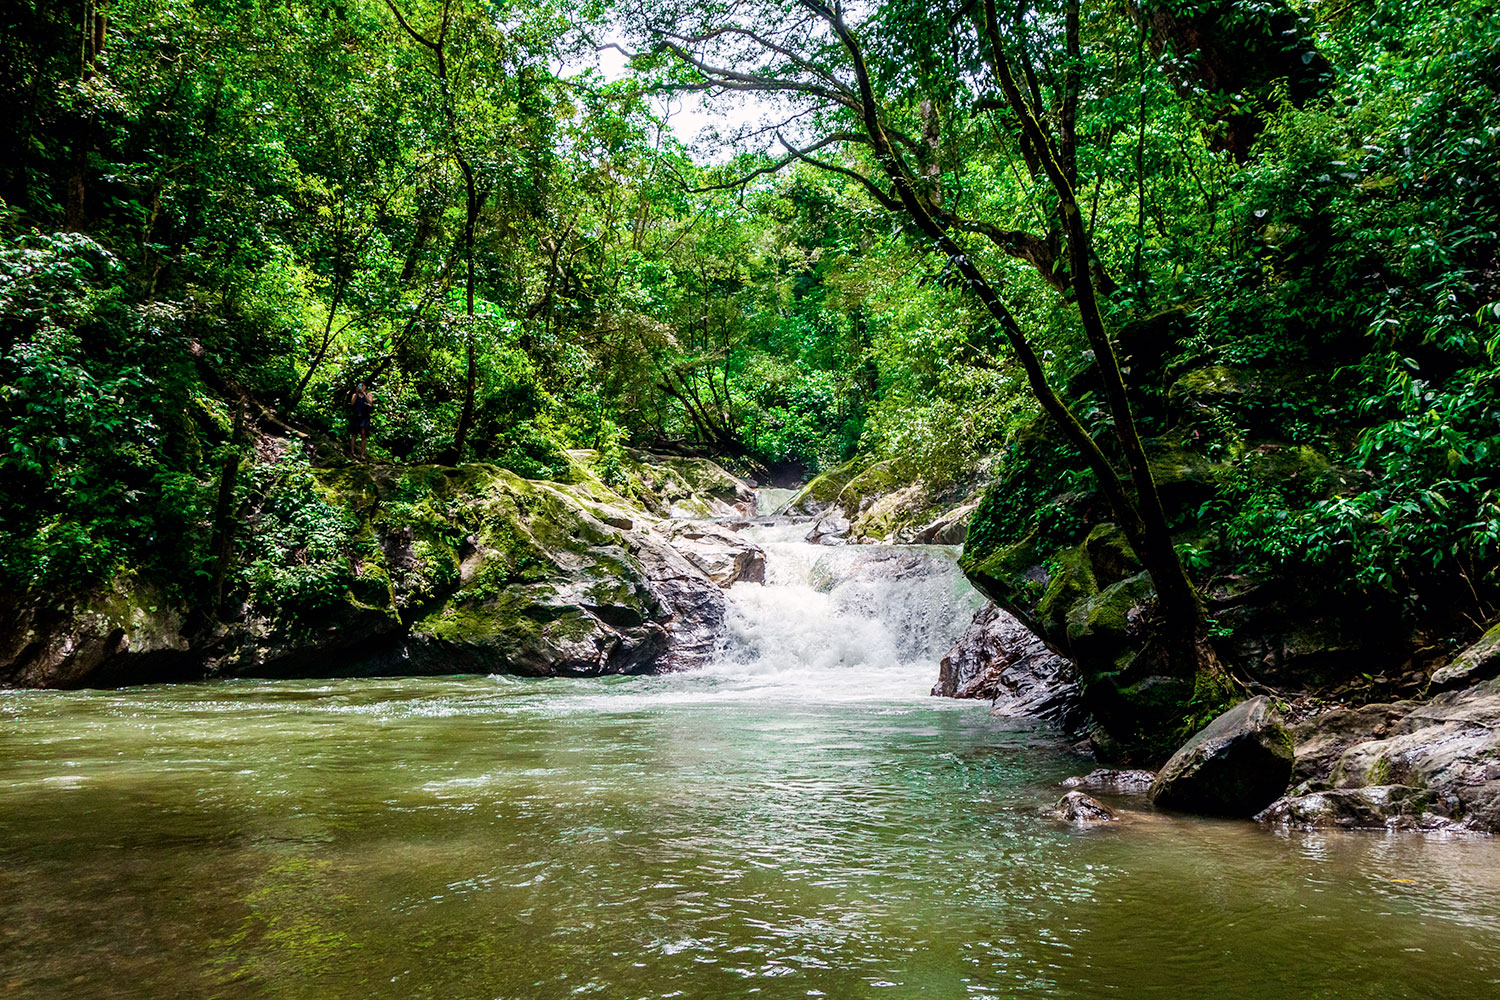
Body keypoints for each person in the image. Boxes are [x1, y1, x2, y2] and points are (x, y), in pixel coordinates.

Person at [349, 382, 375, 459]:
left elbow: (370, 403)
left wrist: (364, 393)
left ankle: (362, 454)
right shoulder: (354, 395)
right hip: (356, 416)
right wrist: (357, 393)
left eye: (363, 386)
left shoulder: (368, 394)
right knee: (354, 434)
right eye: (360, 386)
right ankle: (352, 452)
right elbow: (352, 403)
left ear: (365, 387)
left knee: (364, 435)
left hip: (365, 417)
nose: (361, 387)